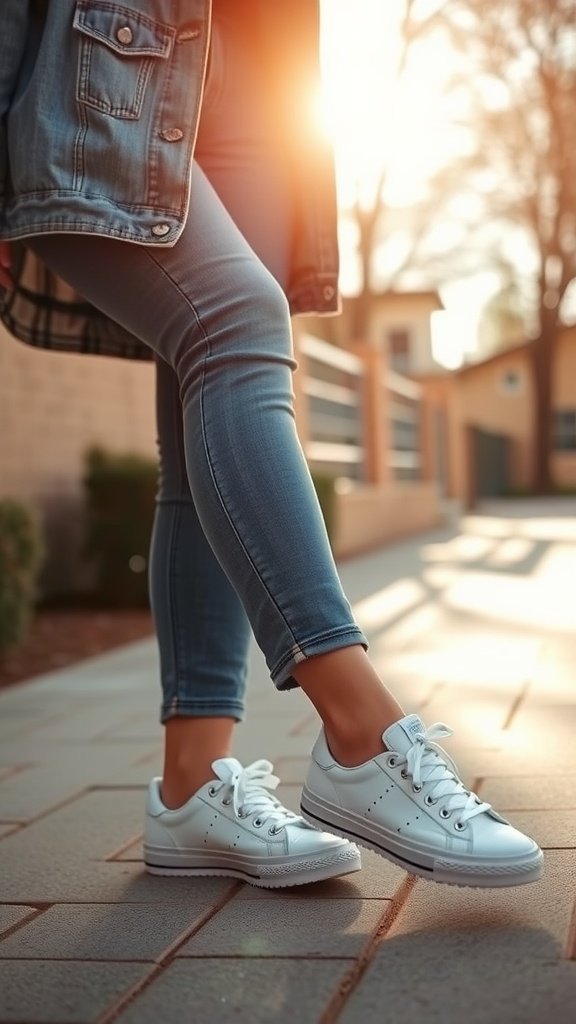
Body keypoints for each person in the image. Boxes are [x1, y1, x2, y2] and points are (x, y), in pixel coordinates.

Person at [0, 0, 543, 890]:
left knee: (196, 423)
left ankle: (190, 786)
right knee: (235, 326)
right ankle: (360, 729)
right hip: (109, 58)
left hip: (260, 77)